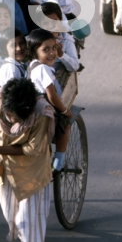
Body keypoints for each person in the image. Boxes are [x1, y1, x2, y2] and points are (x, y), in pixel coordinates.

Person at [0, 79, 54, 242]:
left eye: (21, 119)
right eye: (12, 116)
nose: (16, 122)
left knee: (27, 221)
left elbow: (31, 149)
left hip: (31, 172)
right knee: (12, 217)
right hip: (2, 170)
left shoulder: (41, 113)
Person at [26, 29, 72, 171]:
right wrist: (65, 110)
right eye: (45, 50)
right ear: (35, 52)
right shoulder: (43, 69)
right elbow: (51, 96)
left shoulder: (31, 65)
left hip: (33, 107)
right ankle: (59, 160)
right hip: (44, 109)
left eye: (54, 48)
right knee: (65, 123)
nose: (52, 53)